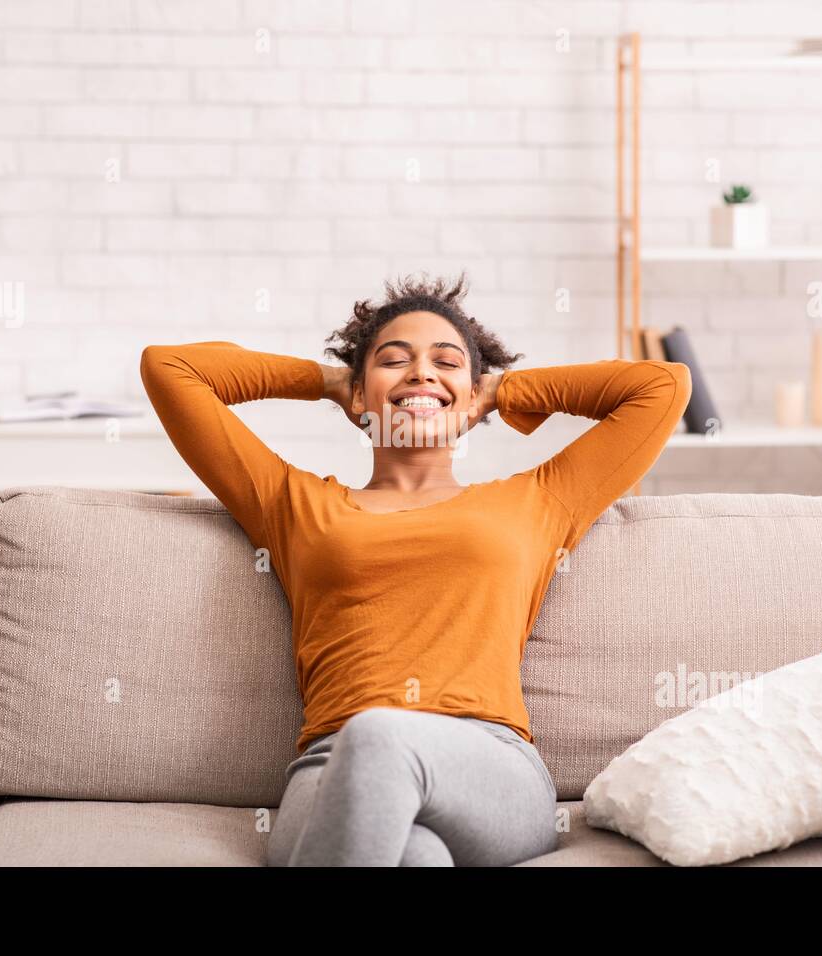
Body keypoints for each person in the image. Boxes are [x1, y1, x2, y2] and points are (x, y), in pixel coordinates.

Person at [139, 271, 692, 866]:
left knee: (382, 737)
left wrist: (499, 389)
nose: (422, 373)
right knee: (417, 856)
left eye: (446, 362)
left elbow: (661, 386)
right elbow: (169, 368)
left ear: (474, 395)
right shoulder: (292, 505)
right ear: (360, 396)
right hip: (331, 766)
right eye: (394, 360)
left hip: (487, 764)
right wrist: (330, 380)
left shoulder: (537, 500)